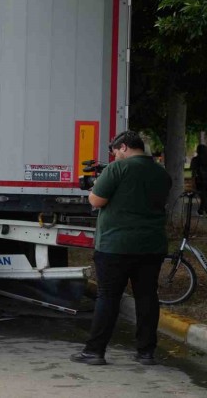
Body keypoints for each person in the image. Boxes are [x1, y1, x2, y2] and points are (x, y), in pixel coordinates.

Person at [71, 130, 172, 366]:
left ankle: (95, 351)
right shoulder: (161, 173)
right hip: (151, 245)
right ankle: (146, 352)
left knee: (108, 297)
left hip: (115, 245)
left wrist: (95, 187)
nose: (114, 156)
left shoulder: (117, 169)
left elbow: (96, 200)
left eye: (115, 152)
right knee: (147, 297)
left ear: (124, 147)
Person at [190, 144, 207, 216]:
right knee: (205, 196)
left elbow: (193, 172)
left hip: (200, 179)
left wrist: (193, 181)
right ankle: (200, 211)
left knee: (203, 196)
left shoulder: (195, 159)